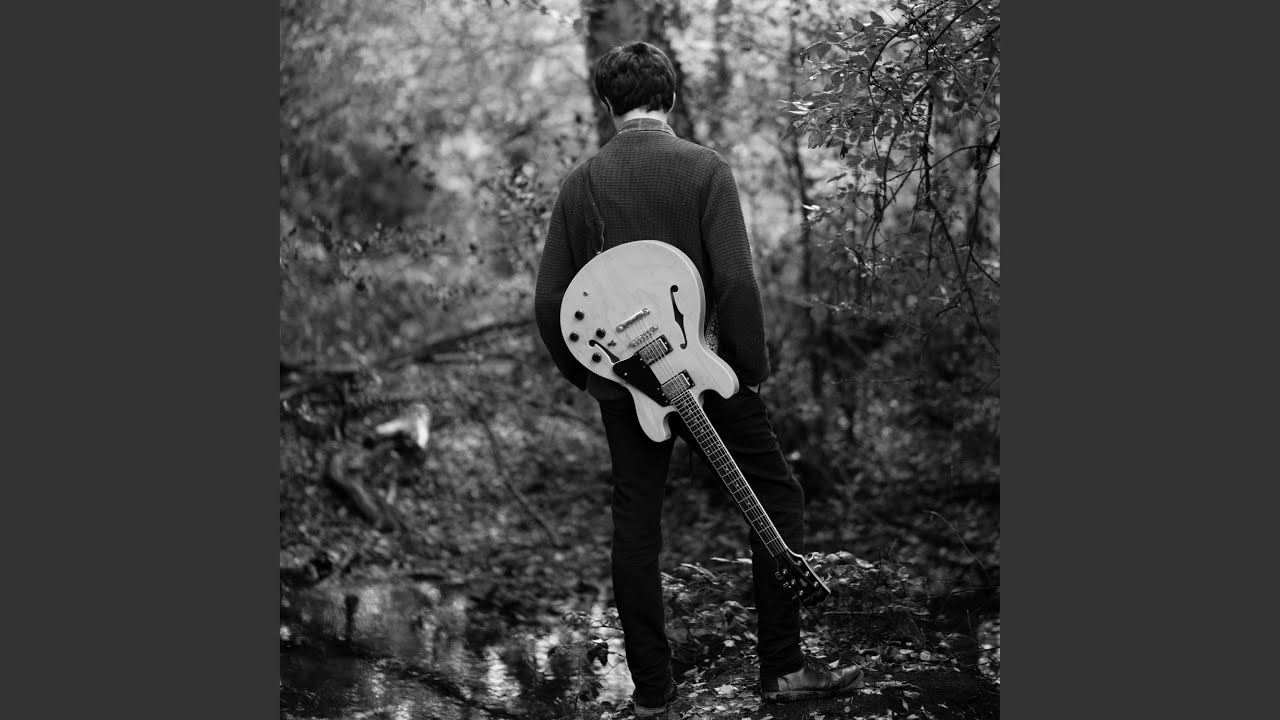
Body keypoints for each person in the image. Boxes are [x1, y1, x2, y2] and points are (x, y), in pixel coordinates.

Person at [533, 41, 862, 715]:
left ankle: (653, 694)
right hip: (707, 373)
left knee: (637, 527)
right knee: (777, 498)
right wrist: (748, 373)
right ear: (672, 97)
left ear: (607, 104)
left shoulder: (580, 185)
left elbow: (549, 304)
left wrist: (596, 379)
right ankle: (782, 669)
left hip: (628, 383)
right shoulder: (705, 169)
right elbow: (736, 282)